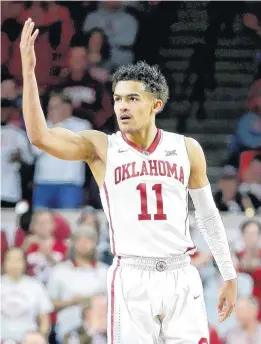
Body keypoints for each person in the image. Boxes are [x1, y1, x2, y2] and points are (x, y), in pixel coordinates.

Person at [20, 19, 237, 343]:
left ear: (155, 105)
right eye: (119, 98)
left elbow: (207, 215)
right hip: (132, 275)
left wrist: (229, 274)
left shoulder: (186, 148)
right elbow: (40, 137)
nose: (122, 105)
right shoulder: (101, 147)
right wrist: (29, 74)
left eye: (133, 98)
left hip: (181, 273)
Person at [1, 247, 53, 341]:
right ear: (4, 262)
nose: (14, 264)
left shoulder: (36, 286)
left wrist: (41, 336)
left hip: (29, 337)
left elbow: (45, 319)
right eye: (10, 259)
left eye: (18, 260)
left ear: (25, 263)